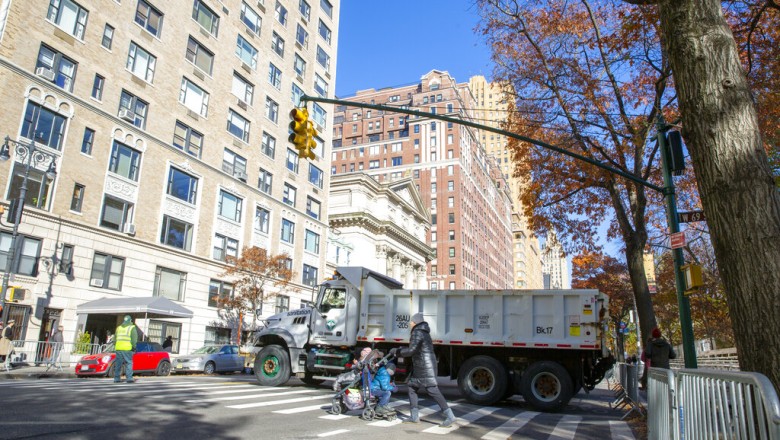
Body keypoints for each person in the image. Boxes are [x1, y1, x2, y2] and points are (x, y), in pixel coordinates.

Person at [390, 313, 455, 428]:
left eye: (411, 321)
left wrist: (397, 351)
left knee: (432, 390)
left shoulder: (417, 332)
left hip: (424, 366)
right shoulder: (424, 332)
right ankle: (414, 417)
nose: (410, 323)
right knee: (411, 387)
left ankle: (450, 416)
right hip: (425, 364)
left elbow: (411, 350)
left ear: (416, 322)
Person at [114, 315, 138, 383]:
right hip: (127, 348)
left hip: (118, 348)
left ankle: (116, 378)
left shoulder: (118, 328)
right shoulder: (132, 327)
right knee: (129, 363)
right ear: (130, 320)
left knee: (118, 363)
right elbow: (134, 339)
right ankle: (129, 378)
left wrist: (115, 345)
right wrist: (134, 347)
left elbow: (114, 339)